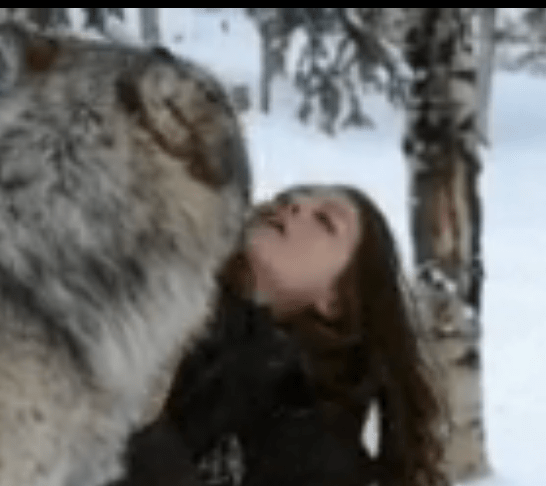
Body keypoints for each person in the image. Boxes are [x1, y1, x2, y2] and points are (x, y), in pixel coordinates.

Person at [112, 184, 450, 486]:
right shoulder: (145, 282)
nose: (294, 205)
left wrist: (150, 439)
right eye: (289, 197)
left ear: (335, 301)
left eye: (324, 221)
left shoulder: (317, 447)